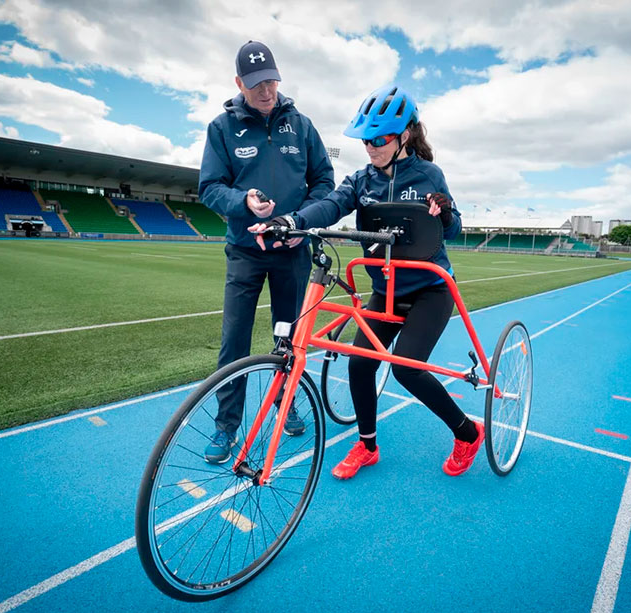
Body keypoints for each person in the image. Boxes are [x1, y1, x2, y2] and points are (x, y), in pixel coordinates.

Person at [250, 85, 484, 479]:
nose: (370, 147)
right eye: (365, 139)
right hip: (385, 290)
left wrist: (444, 212)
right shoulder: (361, 180)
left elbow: (455, 230)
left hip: (430, 290)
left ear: (403, 136)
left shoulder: (430, 175)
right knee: (360, 363)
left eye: (379, 139)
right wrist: (290, 221)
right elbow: (329, 205)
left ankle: (467, 432)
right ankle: (367, 445)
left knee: (408, 369)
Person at [198, 40, 336, 464]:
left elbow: (325, 184)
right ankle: (227, 425)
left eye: (271, 81)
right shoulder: (222, 128)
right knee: (233, 342)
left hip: (292, 250)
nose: (266, 91)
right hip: (245, 250)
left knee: (290, 339)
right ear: (239, 82)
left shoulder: (302, 125)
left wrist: (302, 223)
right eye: (256, 84)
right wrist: (244, 203)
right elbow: (209, 188)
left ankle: (285, 404)